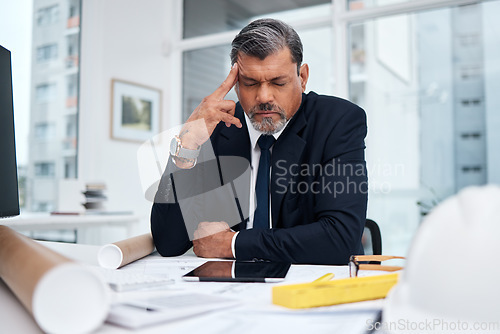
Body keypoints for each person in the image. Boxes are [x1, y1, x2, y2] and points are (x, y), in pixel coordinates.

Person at [151, 18, 368, 265]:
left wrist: (234, 244)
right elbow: (168, 242)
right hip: (229, 288)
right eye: (250, 83)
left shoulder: (337, 121)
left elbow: (341, 240)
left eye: (279, 83)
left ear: (303, 77)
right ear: (235, 84)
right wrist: (187, 144)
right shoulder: (217, 128)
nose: (263, 97)